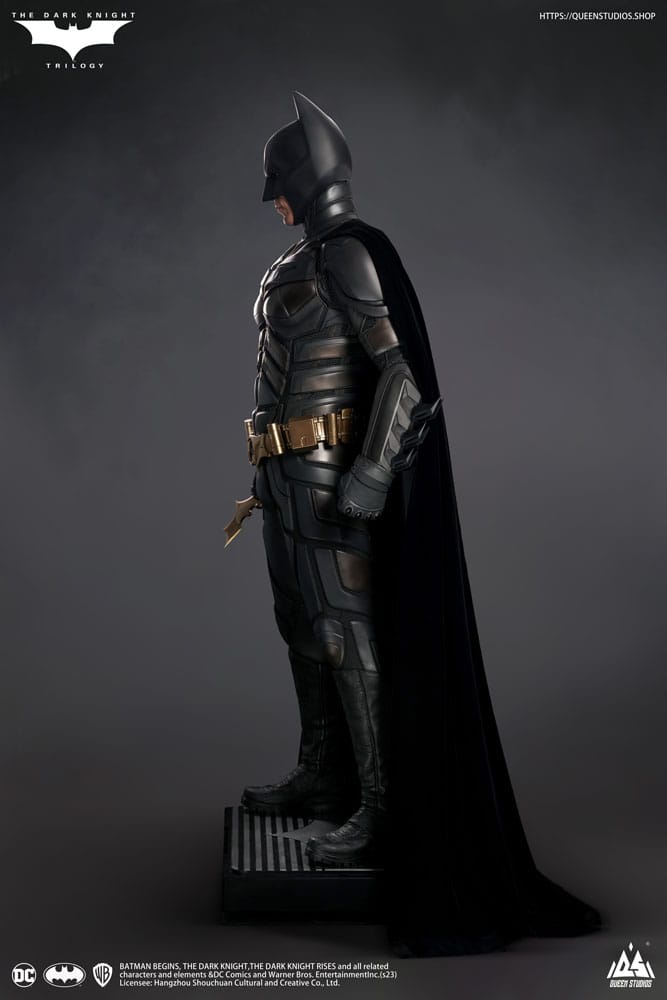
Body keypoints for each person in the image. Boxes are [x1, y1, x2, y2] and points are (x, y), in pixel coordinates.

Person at [236, 92, 602, 956]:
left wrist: (371, 471)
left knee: (344, 637)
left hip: (330, 479)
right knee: (300, 628)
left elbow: (400, 374)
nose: (272, 199)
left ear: (307, 177)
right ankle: (322, 774)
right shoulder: (299, 258)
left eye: (278, 182)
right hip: (280, 478)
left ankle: (378, 807)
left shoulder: (353, 255)